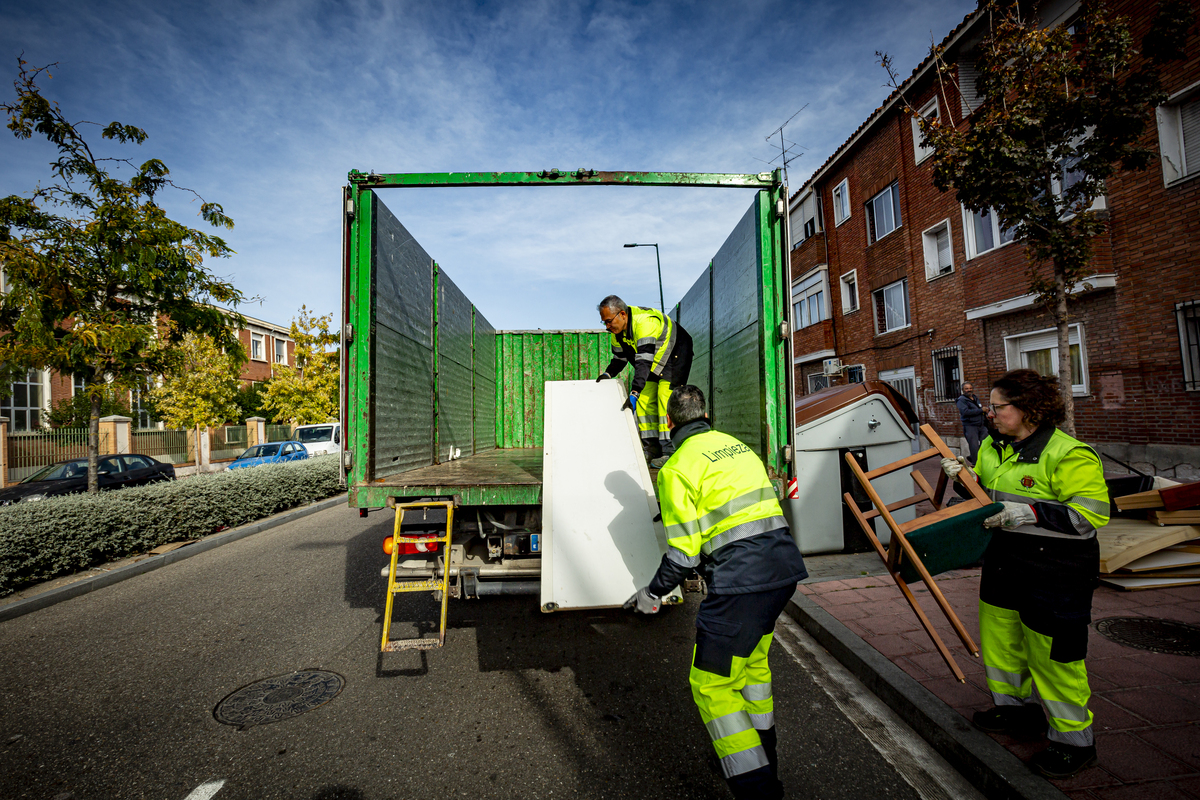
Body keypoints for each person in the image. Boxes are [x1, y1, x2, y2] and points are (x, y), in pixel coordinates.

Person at [627, 385, 808, 800]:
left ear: (670, 422)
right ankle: (763, 756)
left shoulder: (675, 469)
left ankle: (757, 788)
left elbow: (683, 555)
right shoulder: (737, 447)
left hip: (740, 586)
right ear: (705, 413)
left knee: (711, 684)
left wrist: (651, 594)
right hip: (782, 572)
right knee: (752, 671)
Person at [941, 369, 1109, 779]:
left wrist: (1030, 512)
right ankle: (1013, 710)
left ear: (1028, 409)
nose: (989, 413)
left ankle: (1074, 742)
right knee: (1002, 644)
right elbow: (986, 497)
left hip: (1055, 572)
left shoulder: (1069, 453)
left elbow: (1091, 517)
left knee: (1054, 659)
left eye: (998, 407)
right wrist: (963, 478)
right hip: (1004, 563)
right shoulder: (994, 449)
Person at [596, 295, 693, 467]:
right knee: (644, 401)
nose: (607, 327)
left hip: (675, 355)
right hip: (652, 362)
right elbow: (620, 359)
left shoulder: (644, 323)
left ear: (623, 315)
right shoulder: (616, 333)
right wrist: (607, 374)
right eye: (604, 322)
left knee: (666, 399)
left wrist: (634, 391)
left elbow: (643, 361)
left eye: (609, 321)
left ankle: (670, 451)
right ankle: (651, 450)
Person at [956, 381, 989, 465]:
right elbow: (965, 412)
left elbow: (979, 408)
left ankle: (977, 458)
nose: (969, 390)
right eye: (966, 388)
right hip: (970, 426)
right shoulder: (961, 400)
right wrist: (981, 410)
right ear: (963, 390)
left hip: (981, 425)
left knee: (986, 442)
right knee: (973, 445)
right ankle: (975, 463)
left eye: (970, 388)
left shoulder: (975, 397)